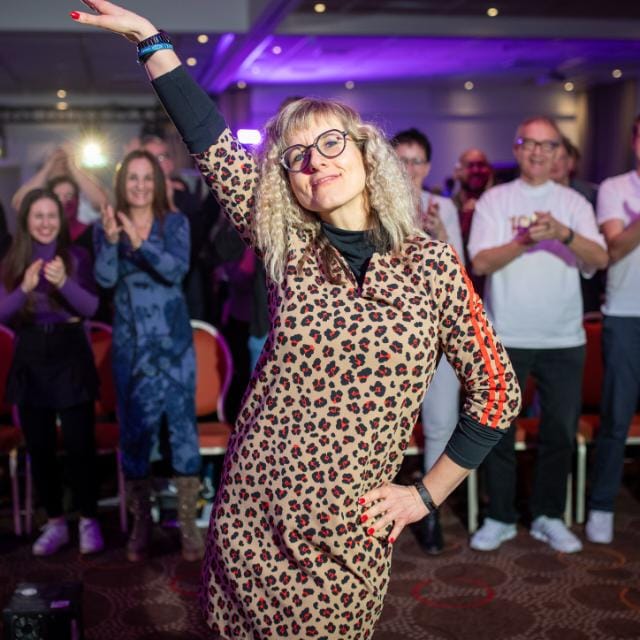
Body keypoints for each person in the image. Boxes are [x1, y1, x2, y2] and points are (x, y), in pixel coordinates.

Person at [73, 4, 520, 637]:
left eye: (331, 142)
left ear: (367, 154)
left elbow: (497, 392)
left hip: (347, 531)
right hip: (251, 510)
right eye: (297, 155)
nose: (315, 161)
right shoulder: (290, 247)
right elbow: (211, 143)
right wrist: (150, 40)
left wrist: (425, 495)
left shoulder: (431, 265)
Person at [468, 116, 608, 554]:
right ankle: (500, 516)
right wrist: (525, 240)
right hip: (505, 335)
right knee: (497, 431)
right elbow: (480, 262)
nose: (538, 152)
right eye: (530, 143)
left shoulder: (574, 203)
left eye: (548, 145)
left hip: (564, 337)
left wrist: (563, 234)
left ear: (559, 153)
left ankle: (548, 515)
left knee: (559, 433)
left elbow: (599, 258)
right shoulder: (495, 200)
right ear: (517, 148)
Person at [93, 149, 203, 563]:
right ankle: (141, 525)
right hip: (132, 346)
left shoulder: (174, 223)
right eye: (132, 178)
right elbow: (105, 279)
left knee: (183, 432)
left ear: (157, 183)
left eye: (146, 177)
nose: (139, 185)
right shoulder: (107, 224)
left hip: (174, 346)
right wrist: (110, 242)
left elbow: (176, 270)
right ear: (122, 184)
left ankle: (188, 526)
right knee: (135, 434)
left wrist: (140, 243)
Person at [0, 188, 103, 556]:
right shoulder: (13, 260)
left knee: (79, 445)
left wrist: (62, 283)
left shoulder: (76, 256)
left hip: (70, 350)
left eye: (51, 216)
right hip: (31, 352)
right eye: (38, 216)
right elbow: (2, 313)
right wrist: (24, 289)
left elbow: (91, 307)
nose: (45, 223)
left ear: (60, 220)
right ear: (27, 220)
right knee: (40, 447)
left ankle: (88, 519)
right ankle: (56, 522)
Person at [391, 127, 464, 555]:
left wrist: (438, 235)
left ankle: (430, 512)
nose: (409, 168)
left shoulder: (444, 208)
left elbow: (461, 271)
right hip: (391, 337)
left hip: (437, 333)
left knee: (440, 421)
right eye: (402, 159)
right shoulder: (375, 204)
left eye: (416, 160)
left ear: (428, 166)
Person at [586, 115, 640, 544]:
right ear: (635, 142)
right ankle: (602, 505)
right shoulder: (614, 189)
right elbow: (614, 249)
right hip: (625, 314)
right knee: (616, 417)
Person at [551, 136, 604, 313]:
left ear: (571, 162)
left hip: (586, 277)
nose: (554, 164)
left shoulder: (588, 196)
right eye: (551, 158)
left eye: (560, 158)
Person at [12, 144, 109, 225]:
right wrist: (48, 166)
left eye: (64, 161)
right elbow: (19, 204)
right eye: (56, 161)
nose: (61, 164)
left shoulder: (81, 199)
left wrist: (73, 166)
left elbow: (102, 203)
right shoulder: (40, 197)